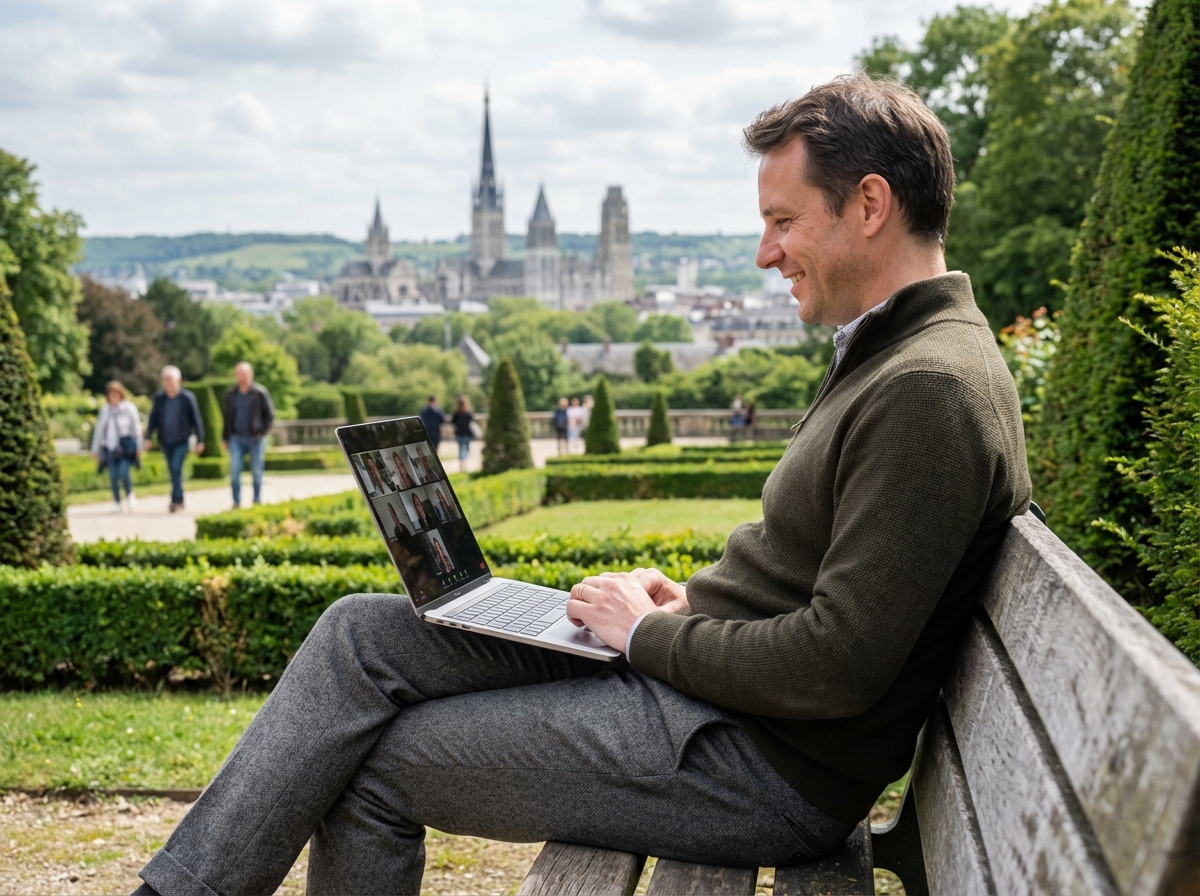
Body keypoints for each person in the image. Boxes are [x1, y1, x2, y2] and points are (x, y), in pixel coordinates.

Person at [134, 75, 1033, 896]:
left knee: (369, 760)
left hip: (755, 765)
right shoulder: (902, 355)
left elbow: (835, 665)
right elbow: (819, 593)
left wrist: (647, 636)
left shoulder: (928, 389)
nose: (766, 253)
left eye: (783, 221)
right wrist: (680, 609)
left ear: (869, 204)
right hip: (714, 701)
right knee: (360, 634)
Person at [143, 366, 204, 513]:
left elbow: (196, 420)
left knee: (176, 468)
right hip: (165, 440)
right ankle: (179, 498)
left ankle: (175, 500)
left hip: (182, 440)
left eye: (170, 379)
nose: (168, 382)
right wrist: (148, 437)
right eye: (165, 379)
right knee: (173, 471)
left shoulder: (187, 398)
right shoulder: (160, 398)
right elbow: (153, 419)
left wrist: (200, 440)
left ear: (179, 380)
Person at [222, 362, 276, 508]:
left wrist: (262, 431)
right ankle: (236, 501)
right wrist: (225, 438)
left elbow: (270, 415)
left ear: (250, 374)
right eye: (239, 373)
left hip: (255, 438)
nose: (242, 376)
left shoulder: (259, 393)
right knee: (234, 470)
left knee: (257, 471)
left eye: (245, 373)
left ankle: (257, 500)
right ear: (236, 375)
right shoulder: (231, 395)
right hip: (236, 437)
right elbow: (227, 417)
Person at [90, 380, 142, 514]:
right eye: (110, 394)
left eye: (116, 394)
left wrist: (139, 446)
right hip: (110, 448)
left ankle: (130, 495)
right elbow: (99, 430)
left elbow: (136, 428)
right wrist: (95, 449)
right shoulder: (105, 410)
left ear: (121, 394)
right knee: (113, 476)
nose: (113, 397)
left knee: (123, 472)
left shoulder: (128, 408)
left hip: (124, 447)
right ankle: (117, 502)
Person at [450, 395, 475, 473]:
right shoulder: (468, 412)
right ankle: (464, 462)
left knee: (460, 448)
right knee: (467, 448)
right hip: (467, 432)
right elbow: (472, 421)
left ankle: (462, 462)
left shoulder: (456, 413)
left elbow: (452, 422)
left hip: (459, 433)